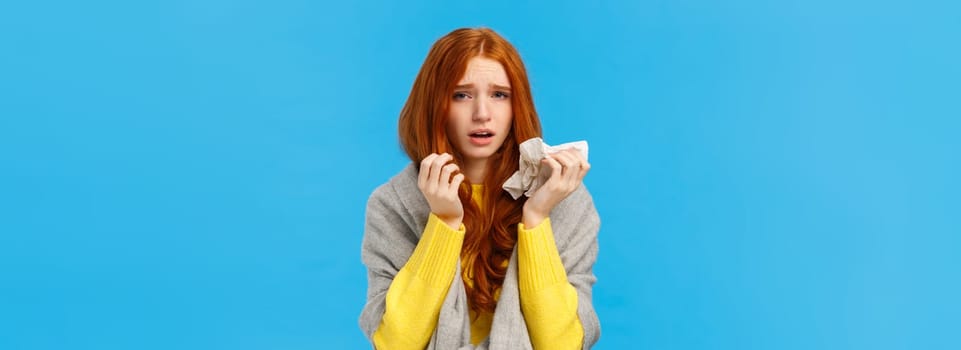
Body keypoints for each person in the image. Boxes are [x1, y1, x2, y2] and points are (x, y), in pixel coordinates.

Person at [359, 27, 601, 350]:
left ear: (518, 106)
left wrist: (538, 217)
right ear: (435, 105)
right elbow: (395, 342)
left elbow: (564, 343)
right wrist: (443, 223)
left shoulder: (566, 200)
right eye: (462, 95)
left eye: (499, 94)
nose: (482, 114)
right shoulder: (392, 206)